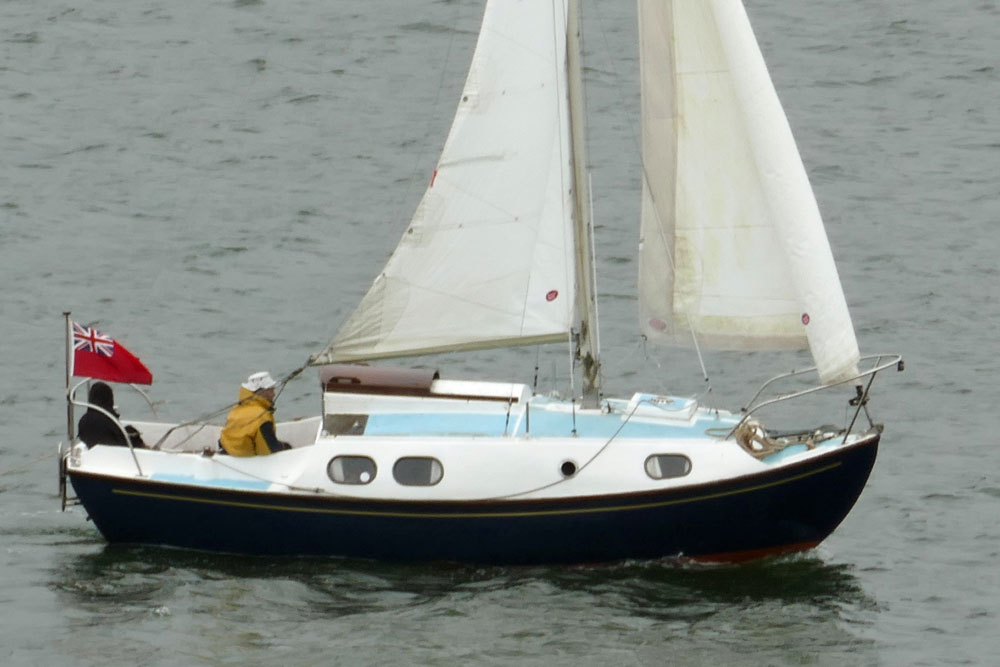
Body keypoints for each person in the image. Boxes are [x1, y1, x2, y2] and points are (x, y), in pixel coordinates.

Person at [218, 371, 291, 456]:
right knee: (287, 447)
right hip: (249, 462)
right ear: (261, 392)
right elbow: (267, 451)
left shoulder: (236, 410)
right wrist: (285, 447)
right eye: (270, 390)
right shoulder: (262, 417)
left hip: (228, 454)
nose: (273, 394)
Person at [77, 381, 146, 448]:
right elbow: (117, 433)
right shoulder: (109, 417)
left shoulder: (83, 420)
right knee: (130, 430)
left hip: (92, 445)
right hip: (112, 446)